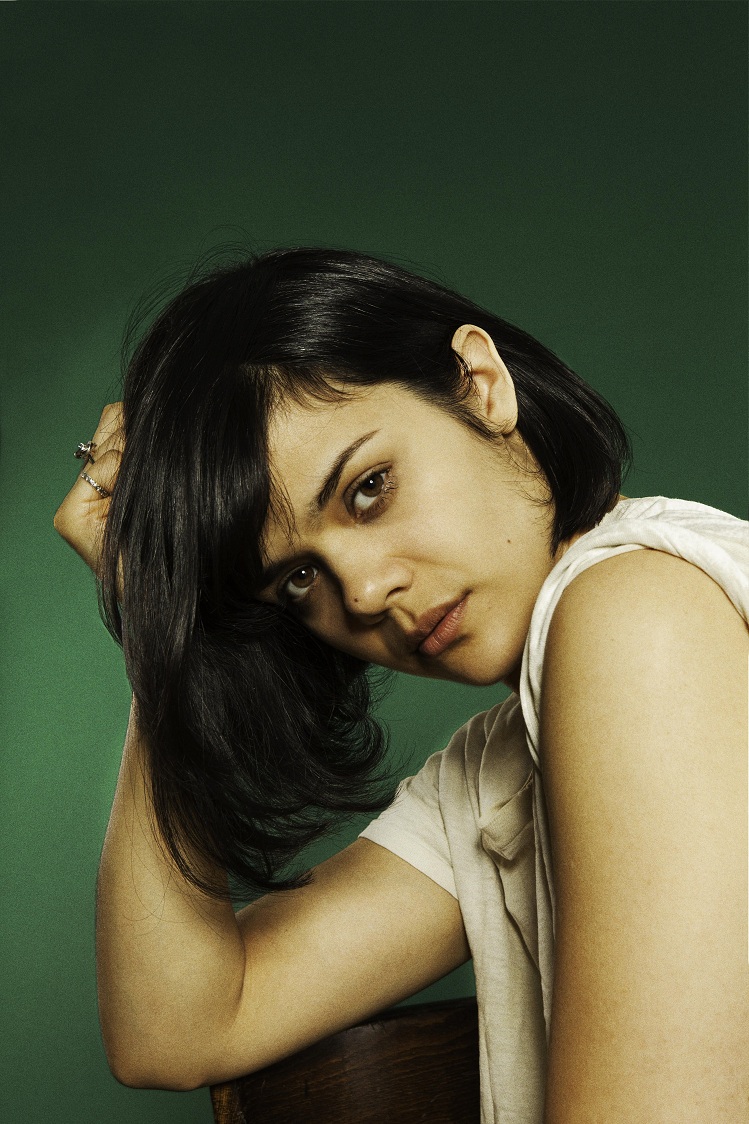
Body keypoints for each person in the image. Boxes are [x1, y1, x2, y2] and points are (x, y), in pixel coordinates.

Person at [54, 248, 748, 1122]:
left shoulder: (638, 612)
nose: (362, 591)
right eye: (298, 577)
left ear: (479, 384)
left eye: (368, 489)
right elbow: (180, 1028)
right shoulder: (495, 770)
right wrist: (160, 620)